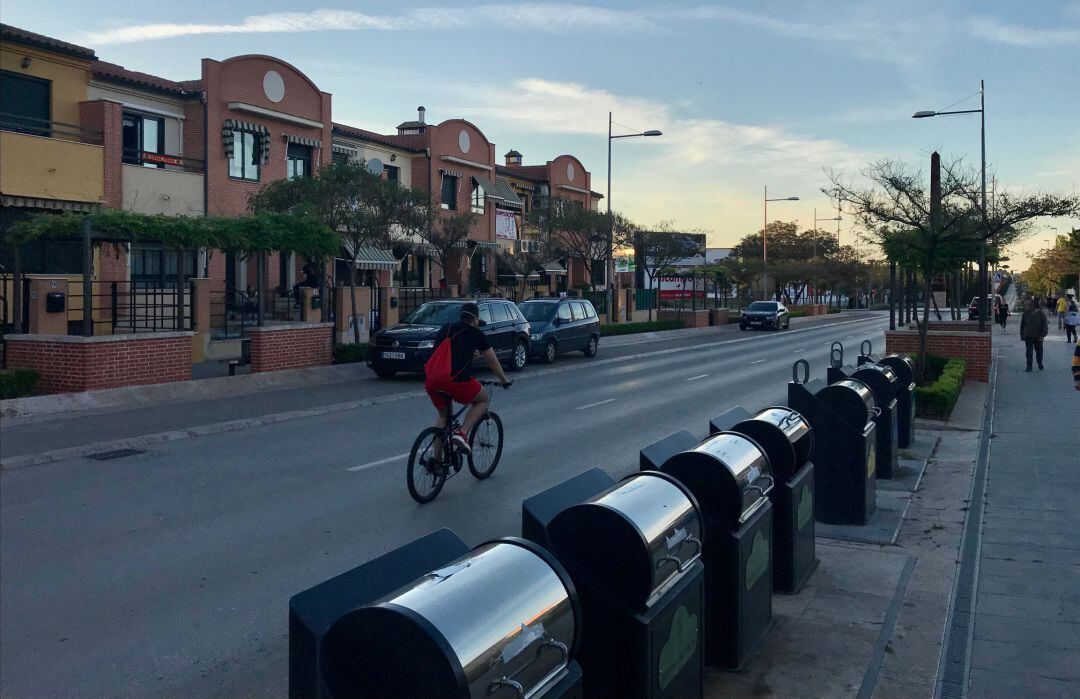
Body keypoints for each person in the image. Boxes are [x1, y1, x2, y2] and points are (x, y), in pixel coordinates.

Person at [424, 302, 511, 454]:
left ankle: (435, 461)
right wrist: (504, 380)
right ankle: (462, 434)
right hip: (456, 382)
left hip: (432, 381)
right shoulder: (476, 334)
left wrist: (470, 353)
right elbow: (492, 361)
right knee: (483, 399)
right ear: (475, 320)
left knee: (443, 418)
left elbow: (443, 353)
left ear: (461, 316)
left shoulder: (446, 328)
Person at [1019, 298, 1049, 372]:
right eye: (1027, 305)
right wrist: (1022, 335)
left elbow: (1045, 326)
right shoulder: (1025, 314)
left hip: (1038, 336)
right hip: (1028, 336)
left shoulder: (1041, 314)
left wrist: (1043, 335)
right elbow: (1022, 325)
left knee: (1039, 351)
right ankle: (1029, 366)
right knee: (1029, 352)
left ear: (1034, 306)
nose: (1028, 306)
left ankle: (1039, 362)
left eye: (1029, 305)